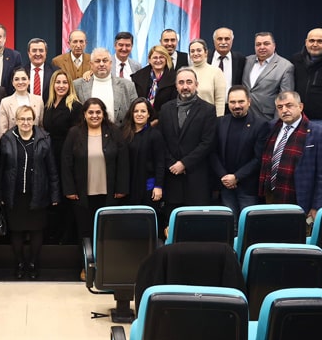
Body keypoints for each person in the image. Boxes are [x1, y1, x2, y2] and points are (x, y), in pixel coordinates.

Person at [61, 98, 129, 279]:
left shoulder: (114, 132)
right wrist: (69, 189)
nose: (94, 116)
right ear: (84, 114)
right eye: (90, 112)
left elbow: (123, 162)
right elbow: (66, 163)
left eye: (98, 112)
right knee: (84, 232)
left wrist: (122, 187)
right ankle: (86, 267)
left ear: (103, 114)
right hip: (82, 194)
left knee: (107, 232)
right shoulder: (74, 133)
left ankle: (106, 268)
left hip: (109, 193)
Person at [0, 106, 60, 280]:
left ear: (34, 120)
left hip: (37, 193)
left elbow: (52, 169)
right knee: (16, 232)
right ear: (16, 120)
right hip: (14, 194)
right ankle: (19, 263)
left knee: (36, 231)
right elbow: (0, 170)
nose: (25, 122)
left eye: (29, 119)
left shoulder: (44, 139)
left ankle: (32, 263)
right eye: (22, 119)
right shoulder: (7, 139)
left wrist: (55, 194)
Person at [258, 91, 322, 222]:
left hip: (300, 199)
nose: (284, 110)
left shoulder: (319, 133)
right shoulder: (271, 127)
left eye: (289, 105)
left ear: (300, 106)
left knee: (296, 234)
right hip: (270, 195)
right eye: (280, 107)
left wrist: (317, 206)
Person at [158, 68, 217, 218]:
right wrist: (172, 164)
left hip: (196, 179)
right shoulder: (165, 109)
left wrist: (184, 163)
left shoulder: (208, 110)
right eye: (181, 82)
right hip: (172, 177)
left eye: (189, 82)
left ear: (196, 84)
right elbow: (161, 140)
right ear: (176, 86)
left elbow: (207, 143)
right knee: (172, 223)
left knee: (196, 223)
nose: (185, 86)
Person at [210, 85, 269, 230]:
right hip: (225, 186)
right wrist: (224, 176)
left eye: (241, 101)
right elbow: (212, 152)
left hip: (248, 187)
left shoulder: (261, 125)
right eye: (232, 102)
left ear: (249, 102)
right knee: (230, 226)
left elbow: (259, 158)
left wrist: (236, 177)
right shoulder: (220, 122)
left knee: (248, 227)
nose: (237, 106)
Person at [42, 69, 83, 244]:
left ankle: (67, 237)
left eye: (64, 82)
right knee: (53, 194)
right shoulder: (48, 104)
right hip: (49, 154)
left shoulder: (75, 106)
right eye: (58, 82)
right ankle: (53, 234)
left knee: (67, 195)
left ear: (70, 85)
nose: (61, 85)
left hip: (67, 155)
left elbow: (77, 135)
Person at [121, 97, 166, 233]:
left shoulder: (155, 135)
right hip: (127, 187)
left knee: (146, 224)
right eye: (136, 111)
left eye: (143, 111)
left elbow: (160, 162)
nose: (139, 114)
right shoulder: (123, 133)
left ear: (149, 114)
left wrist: (158, 186)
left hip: (148, 187)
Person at [73, 47, 138, 126]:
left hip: (119, 132)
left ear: (110, 63)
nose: (101, 64)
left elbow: (136, 111)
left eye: (105, 60)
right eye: (97, 61)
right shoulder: (77, 85)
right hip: (86, 132)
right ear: (91, 64)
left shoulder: (128, 86)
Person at [242, 32, 294, 121]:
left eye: (266, 44)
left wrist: (277, 123)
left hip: (267, 118)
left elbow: (285, 98)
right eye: (258, 44)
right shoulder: (246, 61)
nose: (262, 47)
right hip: (244, 116)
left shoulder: (285, 66)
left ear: (274, 46)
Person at [130, 45, 177, 121]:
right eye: (155, 57)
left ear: (166, 59)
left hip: (165, 119)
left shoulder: (175, 78)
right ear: (149, 60)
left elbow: (174, 103)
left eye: (161, 57)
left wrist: (158, 120)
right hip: (141, 119)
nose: (158, 60)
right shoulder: (138, 76)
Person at [0, 67, 44, 139]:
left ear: (29, 81)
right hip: (12, 143)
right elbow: (2, 130)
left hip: (35, 143)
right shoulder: (5, 102)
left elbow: (41, 127)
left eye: (24, 79)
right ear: (12, 83)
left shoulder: (38, 100)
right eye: (16, 79)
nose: (20, 82)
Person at [188, 38, 226, 116]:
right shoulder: (186, 72)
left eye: (199, 50)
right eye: (192, 51)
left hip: (209, 118)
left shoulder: (216, 72)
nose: (195, 53)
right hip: (188, 118)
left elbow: (220, 100)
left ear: (206, 52)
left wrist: (219, 119)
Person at [208, 27, 246, 96]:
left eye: (227, 39)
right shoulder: (205, 57)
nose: (223, 42)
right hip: (208, 101)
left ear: (232, 40)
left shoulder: (240, 59)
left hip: (231, 101)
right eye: (220, 39)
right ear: (214, 41)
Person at [24, 38, 56, 104]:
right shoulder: (21, 72)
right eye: (34, 51)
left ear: (46, 53)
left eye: (41, 50)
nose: (38, 54)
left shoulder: (55, 72)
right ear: (29, 53)